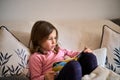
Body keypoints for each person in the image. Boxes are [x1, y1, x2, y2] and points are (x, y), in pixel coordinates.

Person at [28, 20, 98, 80]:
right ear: (38, 40)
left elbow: (74, 54)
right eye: (50, 39)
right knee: (74, 66)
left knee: (89, 57)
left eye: (55, 38)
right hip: (58, 77)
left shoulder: (59, 50)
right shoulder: (36, 57)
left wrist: (84, 52)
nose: (54, 42)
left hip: (74, 75)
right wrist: (45, 77)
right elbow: (34, 78)